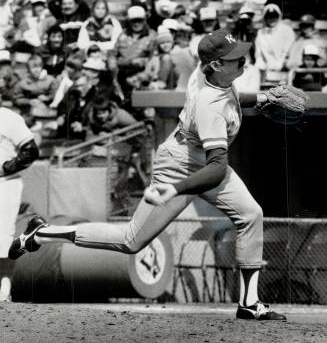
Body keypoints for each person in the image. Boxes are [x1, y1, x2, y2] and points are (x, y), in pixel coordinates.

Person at [9, 29, 286, 321]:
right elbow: (216, 169)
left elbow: (231, 97)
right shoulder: (209, 104)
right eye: (234, 58)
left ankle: (249, 302)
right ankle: (42, 233)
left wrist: (263, 96)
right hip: (179, 164)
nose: (243, 60)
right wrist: (177, 189)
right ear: (215, 65)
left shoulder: (214, 76)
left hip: (199, 157)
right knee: (131, 241)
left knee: (251, 213)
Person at [0, 99, 39, 301]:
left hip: (5, 183)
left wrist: (6, 167)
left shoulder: (9, 118)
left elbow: (31, 151)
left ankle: (4, 289)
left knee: (2, 235)